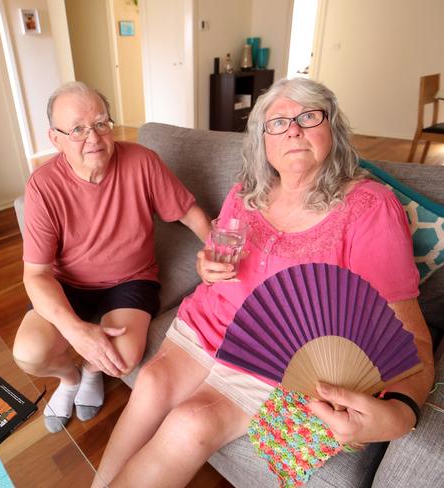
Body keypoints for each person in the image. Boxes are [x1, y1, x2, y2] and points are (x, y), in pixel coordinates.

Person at [94, 77, 435, 487]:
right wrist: (205, 266)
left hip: (273, 358)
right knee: (149, 382)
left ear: (332, 129)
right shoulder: (246, 191)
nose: (293, 129)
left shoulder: (368, 208)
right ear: (263, 140)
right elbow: (216, 256)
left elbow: (409, 338)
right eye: (278, 122)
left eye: (308, 117)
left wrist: (401, 413)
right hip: (207, 322)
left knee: (190, 423)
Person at [12, 81, 210, 433]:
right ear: (55, 138)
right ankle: (70, 379)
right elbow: (36, 274)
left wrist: (216, 248)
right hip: (67, 283)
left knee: (122, 359)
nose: (94, 137)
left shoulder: (142, 161)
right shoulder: (43, 185)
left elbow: (188, 210)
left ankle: (92, 372)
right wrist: (76, 332)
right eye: (77, 129)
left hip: (131, 279)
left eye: (101, 123)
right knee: (30, 353)